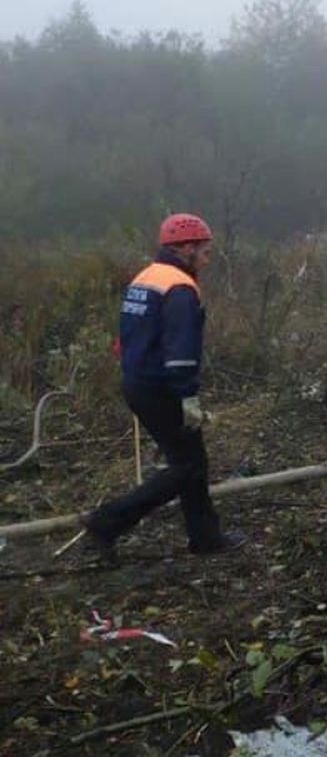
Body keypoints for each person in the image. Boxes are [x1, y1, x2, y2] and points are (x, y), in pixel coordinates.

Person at [81, 214, 244, 561]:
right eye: (205, 251)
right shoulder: (179, 288)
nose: (207, 259)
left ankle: (206, 539)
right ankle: (106, 522)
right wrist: (188, 396)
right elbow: (181, 349)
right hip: (161, 388)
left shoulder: (146, 277)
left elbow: (126, 338)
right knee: (186, 467)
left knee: (193, 462)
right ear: (186, 248)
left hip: (138, 382)